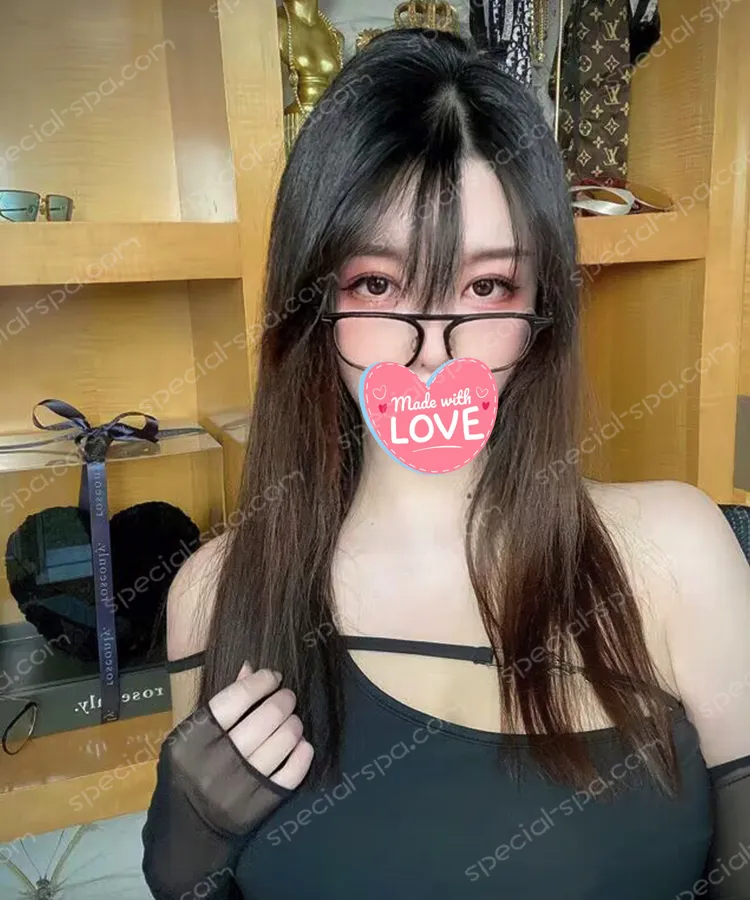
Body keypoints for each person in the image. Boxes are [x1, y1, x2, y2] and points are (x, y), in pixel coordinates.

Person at [141, 26, 750, 900]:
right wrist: (186, 841)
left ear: (541, 308)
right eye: (379, 285)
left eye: (486, 287)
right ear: (314, 305)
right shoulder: (214, 594)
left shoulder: (678, 554)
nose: (433, 350)